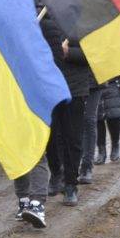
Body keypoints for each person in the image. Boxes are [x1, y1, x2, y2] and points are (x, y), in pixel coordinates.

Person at [40, 12, 91, 207]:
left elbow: (92, 54)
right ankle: (56, 174)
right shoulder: (43, 22)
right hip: (50, 87)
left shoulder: (81, 23)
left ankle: (71, 184)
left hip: (75, 89)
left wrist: (69, 53)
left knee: (72, 138)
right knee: (51, 136)